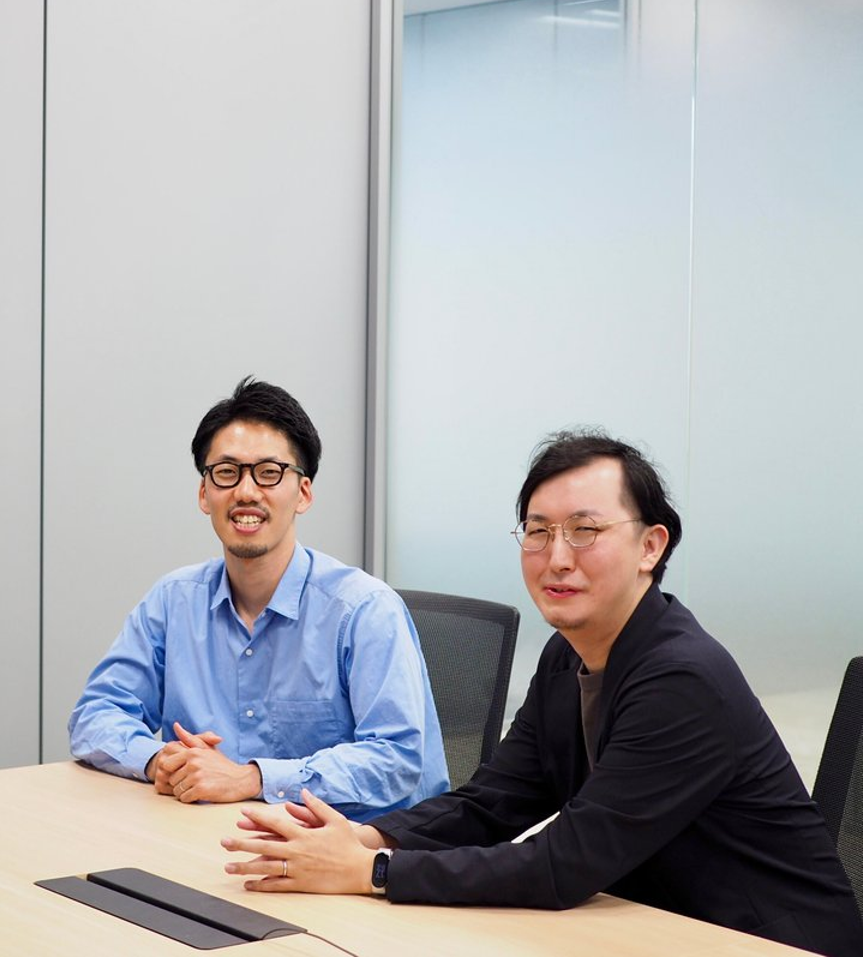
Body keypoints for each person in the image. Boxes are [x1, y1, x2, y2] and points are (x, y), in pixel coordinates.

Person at [222, 431, 863, 957]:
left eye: (584, 531)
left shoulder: (683, 678)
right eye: (538, 531)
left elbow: (564, 864)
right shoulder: (568, 655)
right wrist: (366, 837)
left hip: (766, 940)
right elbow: (492, 803)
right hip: (648, 927)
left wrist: (373, 872)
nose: (557, 557)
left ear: (651, 546)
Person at [69, 377, 447, 820]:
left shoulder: (364, 610)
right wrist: (159, 761)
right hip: (210, 837)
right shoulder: (172, 602)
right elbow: (95, 714)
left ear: (303, 493)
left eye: (269, 473)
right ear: (204, 493)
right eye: (226, 473)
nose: (246, 492)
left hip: (351, 847)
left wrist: (251, 778)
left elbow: (397, 759)